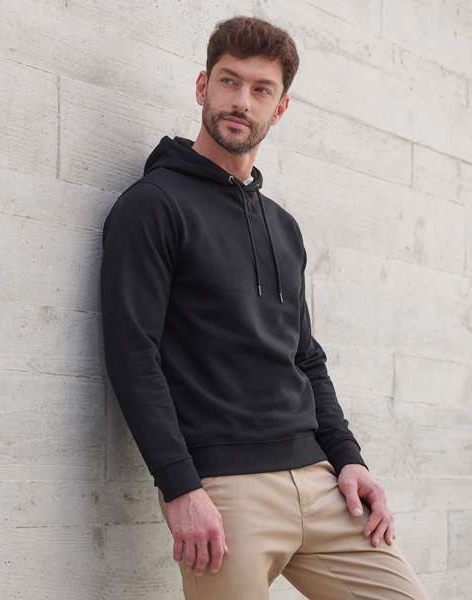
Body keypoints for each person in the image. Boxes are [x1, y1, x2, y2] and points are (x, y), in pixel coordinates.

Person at [100, 15, 430, 600]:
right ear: (202, 87)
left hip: (321, 480)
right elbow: (132, 355)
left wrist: (349, 460)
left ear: (280, 108)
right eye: (229, 82)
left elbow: (306, 357)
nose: (240, 101)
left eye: (260, 90)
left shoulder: (283, 226)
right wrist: (180, 487)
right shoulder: (153, 205)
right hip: (226, 491)